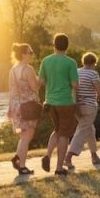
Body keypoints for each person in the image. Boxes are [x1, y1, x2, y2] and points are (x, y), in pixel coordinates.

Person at [39, 33, 79, 175]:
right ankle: (59, 168)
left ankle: (48, 155)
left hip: (50, 102)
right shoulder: (71, 63)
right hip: (66, 102)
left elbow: (41, 82)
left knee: (57, 130)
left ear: (54, 45)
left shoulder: (46, 61)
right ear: (67, 46)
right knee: (64, 135)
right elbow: (75, 84)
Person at [64, 52, 100, 167]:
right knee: (82, 130)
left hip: (77, 106)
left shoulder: (76, 71)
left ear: (83, 62)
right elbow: (99, 91)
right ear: (94, 63)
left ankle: (94, 156)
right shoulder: (93, 74)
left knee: (90, 130)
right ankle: (68, 157)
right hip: (89, 106)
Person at [7, 43, 40, 175]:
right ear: (24, 54)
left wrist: (10, 108)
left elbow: (11, 90)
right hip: (28, 106)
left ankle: (17, 159)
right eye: (30, 52)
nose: (32, 54)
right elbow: (35, 87)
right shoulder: (28, 69)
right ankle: (22, 165)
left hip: (16, 106)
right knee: (27, 136)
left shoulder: (13, 69)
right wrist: (41, 80)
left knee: (23, 136)